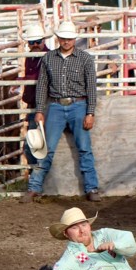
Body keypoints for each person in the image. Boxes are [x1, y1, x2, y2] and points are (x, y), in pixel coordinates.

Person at [21, 21, 101, 203]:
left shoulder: (85, 59)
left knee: (84, 148)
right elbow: (42, 86)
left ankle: (92, 187)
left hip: (78, 104)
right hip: (56, 105)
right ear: (58, 38)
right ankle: (34, 187)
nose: (66, 41)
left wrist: (90, 112)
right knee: (46, 149)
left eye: (69, 38)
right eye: (63, 38)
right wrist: (40, 110)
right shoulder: (48, 59)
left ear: (74, 39)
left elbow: (91, 88)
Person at [14, 24, 49, 165]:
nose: (35, 45)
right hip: (33, 104)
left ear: (43, 41)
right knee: (34, 143)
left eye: (38, 41)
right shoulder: (31, 57)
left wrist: (22, 80)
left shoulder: (48, 57)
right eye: (31, 42)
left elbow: (41, 77)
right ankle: (38, 175)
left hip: (44, 106)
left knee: (33, 145)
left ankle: (38, 176)